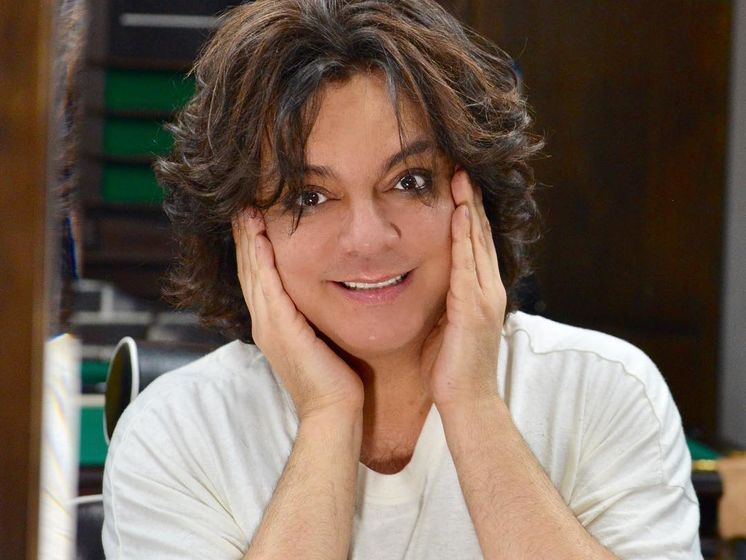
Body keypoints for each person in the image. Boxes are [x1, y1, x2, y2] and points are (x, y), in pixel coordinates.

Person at [102, 1, 701, 558]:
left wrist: (472, 403)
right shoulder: (174, 433)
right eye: (309, 196)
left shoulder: (604, 389)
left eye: (409, 181)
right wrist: (328, 415)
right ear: (241, 230)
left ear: (474, 196)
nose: (368, 238)